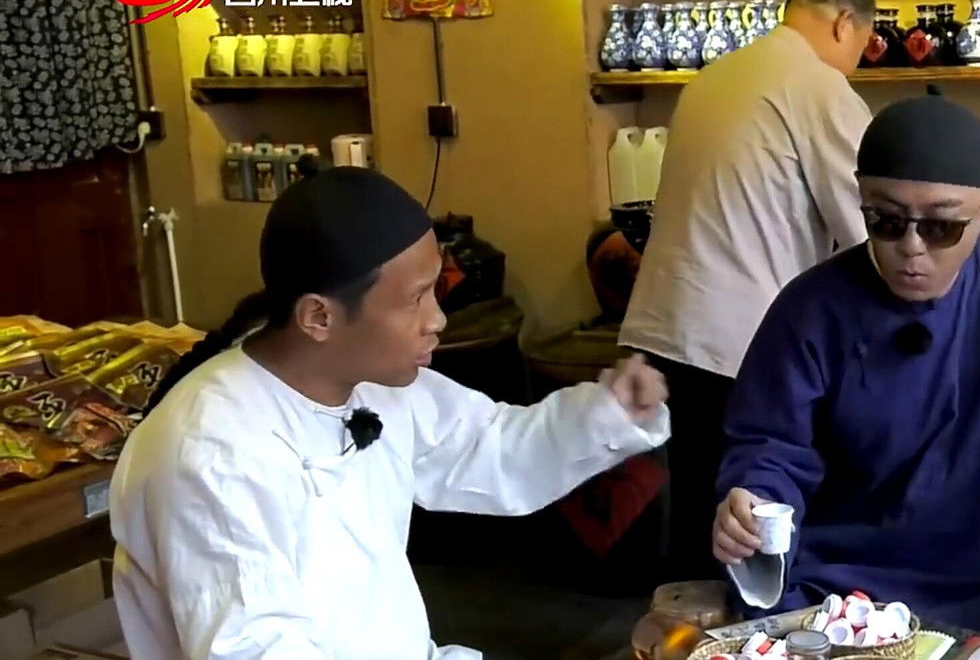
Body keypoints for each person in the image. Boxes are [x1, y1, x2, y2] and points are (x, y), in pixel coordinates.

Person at [109, 167, 670, 660]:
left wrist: (609, 412)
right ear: (318, 317)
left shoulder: (371, 383)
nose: (438, 320)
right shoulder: (210, 454)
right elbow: (255, 648)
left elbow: (489, 447)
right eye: (415, 299)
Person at [712, 89, 980, 660]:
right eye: (886, 221)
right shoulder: (811, 308)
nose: (911, 248)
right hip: (837, 601)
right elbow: (770, 448)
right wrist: (753, 506)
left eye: (941, 227)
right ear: (861, 199)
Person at [619, 0, 876, 580]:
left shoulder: (712, 77)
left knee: (697, 526)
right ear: (845, 22)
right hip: (741, 341)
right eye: (863, 46)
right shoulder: (818, 85)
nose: (857, 63)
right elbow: (875, 227)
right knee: (749, 534)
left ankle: (687, 627)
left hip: (667, 333)